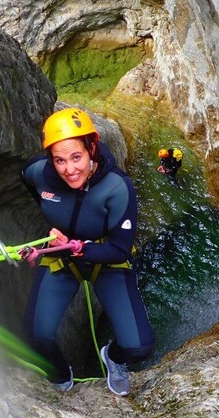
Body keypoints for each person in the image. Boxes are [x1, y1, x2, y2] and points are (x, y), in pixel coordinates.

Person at [19, 107, 155, 396]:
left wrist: (78, 248)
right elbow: (31, 183)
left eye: (76, 157)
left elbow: (119, 249)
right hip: (60, 257)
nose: (69, 169)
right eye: (59, 160)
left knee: (139, 347)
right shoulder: (39, 174)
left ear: (92, 148)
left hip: (105, 259)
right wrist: (55, 234)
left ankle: (113, 358)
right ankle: (60, 373)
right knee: (36, 337)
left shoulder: (117, 188)